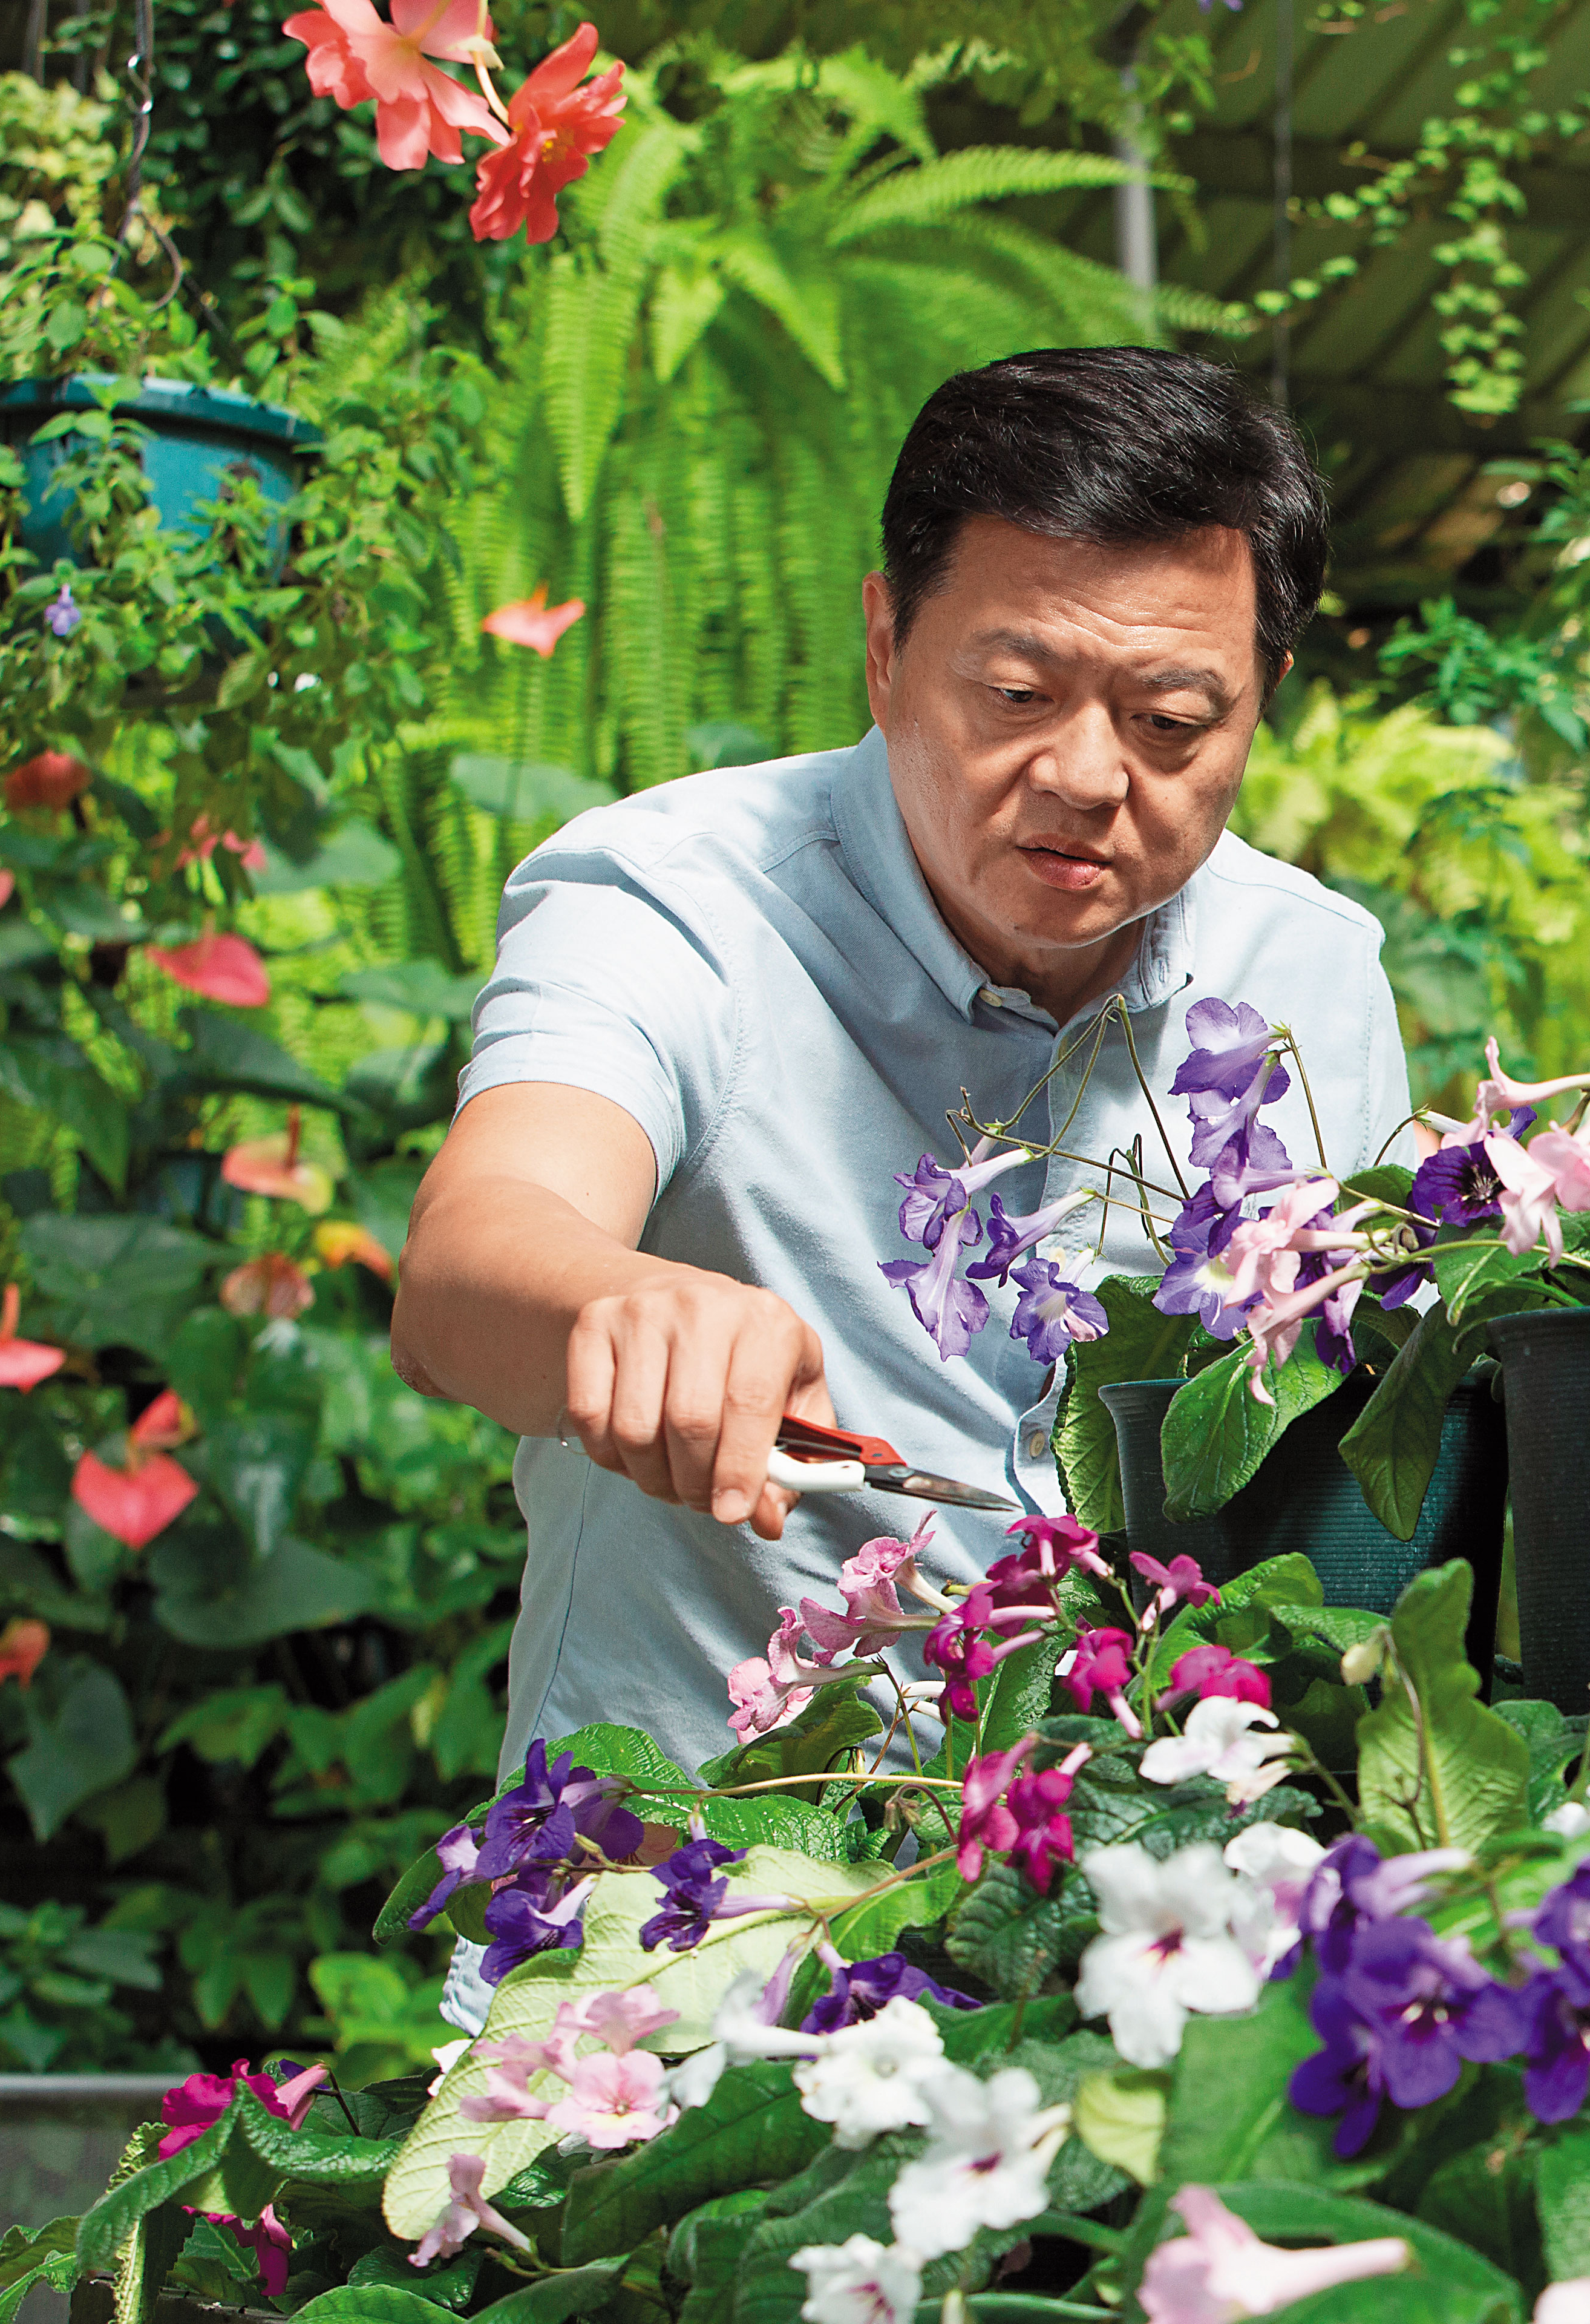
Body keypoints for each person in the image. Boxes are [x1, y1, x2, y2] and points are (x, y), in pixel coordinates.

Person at [391, 346, 1410, 1807]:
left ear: (1261, 701)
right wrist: (614, 1304)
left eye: (1173, 723)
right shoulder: (680, 900)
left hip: (1125, 1922)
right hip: (677, 1930)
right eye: (1014, 691)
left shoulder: (1311, 978)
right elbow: (468, 1260)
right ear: (885, 647)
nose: (1086, 775)